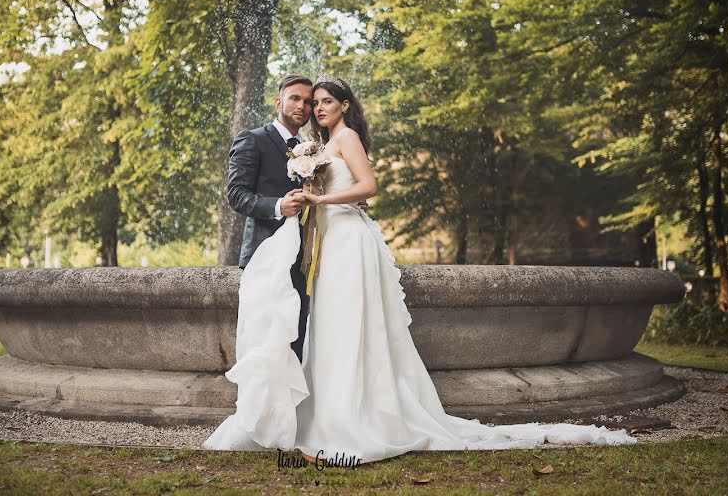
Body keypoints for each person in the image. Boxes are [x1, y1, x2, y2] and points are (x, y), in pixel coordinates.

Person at [205, 75, 636, 462]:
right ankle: (283, 420)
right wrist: (298, 203)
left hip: (343, 244)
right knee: (310, 333)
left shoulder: (344, 139)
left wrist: (322, 200)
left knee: (344, 328)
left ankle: (346, 420)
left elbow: (365, 185)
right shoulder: (272, 141)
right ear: (279, 101)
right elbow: (240, 194)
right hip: (293, 251)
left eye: (322, 102)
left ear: (344, 106)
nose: (312, 108)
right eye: (305, 101)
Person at [225, 74, 313, 361]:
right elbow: (236, 194)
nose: (302, 106)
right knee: (266, 342)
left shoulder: (313, 149)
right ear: (279, 102)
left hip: (305, 258)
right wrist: (277, 206)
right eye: (295, 99)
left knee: (298, 338)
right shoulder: (253, 139)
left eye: (308, 102)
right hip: (266, 254)